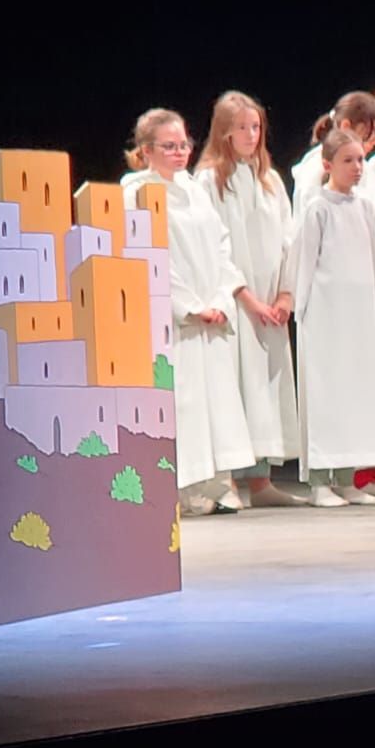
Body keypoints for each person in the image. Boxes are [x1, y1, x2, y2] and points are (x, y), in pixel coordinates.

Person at [121, 108, 253, 515]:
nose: (180, 152)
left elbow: (221, 244)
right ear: (146, 151)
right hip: (175, 319)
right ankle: (182, 488)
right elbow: (147, 255)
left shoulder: (194, 189)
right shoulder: (135, 193)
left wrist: (221, 299)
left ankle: (216, 482)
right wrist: (191, 306)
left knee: (215, 401)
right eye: (169, 146)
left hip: (211, 311)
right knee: (185, 400)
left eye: (184, 144)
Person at [195, 90, 302, 507]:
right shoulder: (209, 182)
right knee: (238, 386)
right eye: (241, 127)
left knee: (266, 389)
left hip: (272, 303)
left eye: (256, 126)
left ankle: (261, 481)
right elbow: (215, 246)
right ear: (224, 132)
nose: (251, 134)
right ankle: (230, 482)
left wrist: (286, 294)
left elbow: (290, 239)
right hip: (238, 303)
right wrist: (246, 298)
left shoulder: (270, 180)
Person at [289, 130, 375, 507]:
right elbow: (304, 262)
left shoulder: (365, 207)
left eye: (361, 159)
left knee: (354, 394)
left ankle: (347, 478)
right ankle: (319, 482)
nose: (358, 167)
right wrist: (302, 312)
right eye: (348, 160)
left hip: (357, 315)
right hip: (325, 316)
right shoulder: (317, 208)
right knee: (325, 394)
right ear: (328, 164)